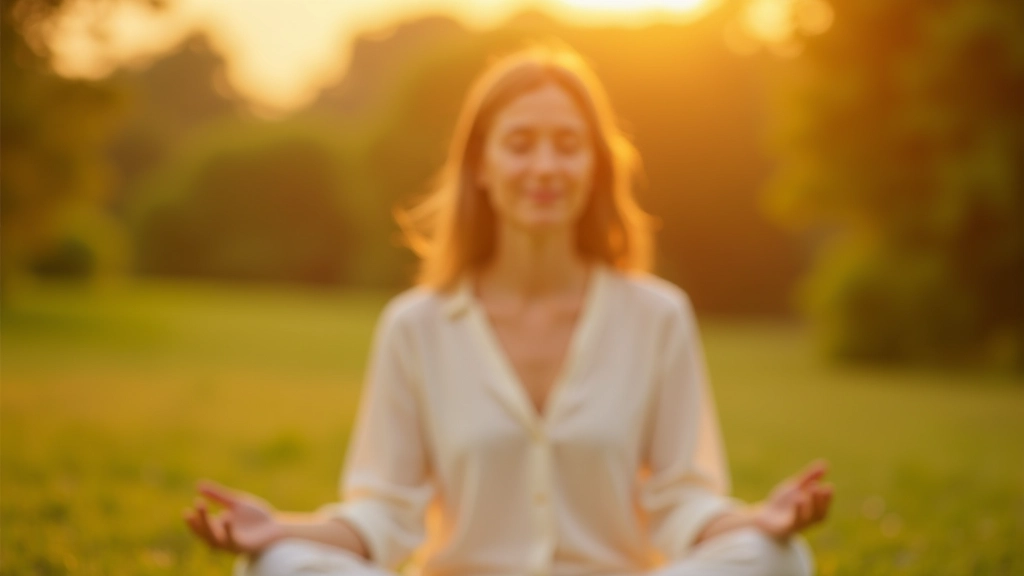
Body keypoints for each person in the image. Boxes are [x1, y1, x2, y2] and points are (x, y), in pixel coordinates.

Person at [184, 45, 833, 576]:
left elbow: (679, 501)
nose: (545, 166)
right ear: (482, 168)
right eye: (520, 143)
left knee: (777, 558)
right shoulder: (417, 326)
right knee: (276, 566)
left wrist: (755, 522)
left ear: (597, 165)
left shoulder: (658, 317)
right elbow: (387, 513)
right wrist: (285, 529)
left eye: (567, 144)